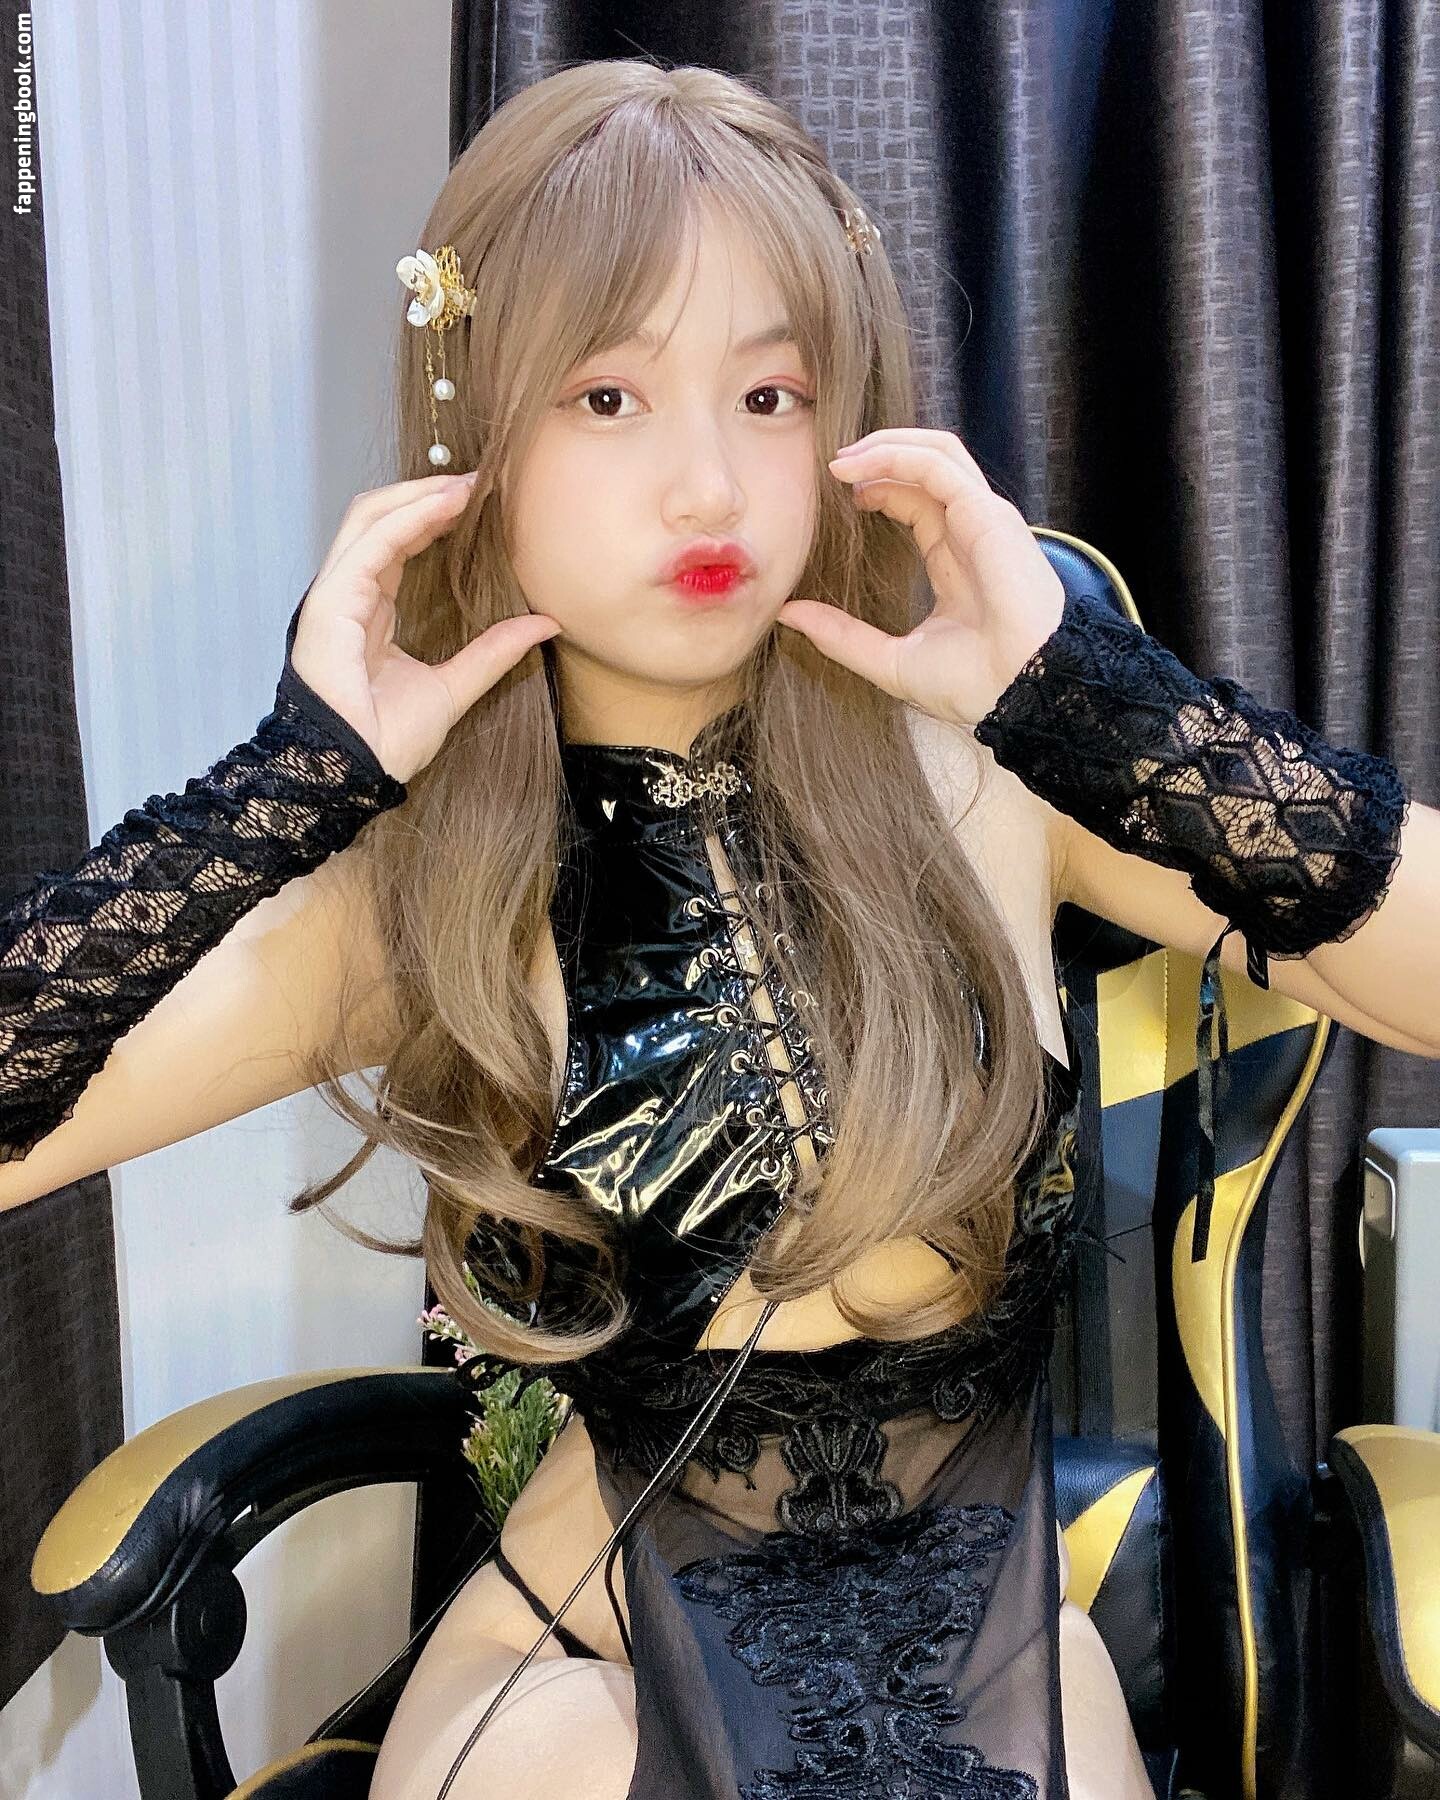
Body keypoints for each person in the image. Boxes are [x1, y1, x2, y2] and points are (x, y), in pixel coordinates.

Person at [1, 57, 1430, 1800]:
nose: (707, 488)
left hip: (988, 1651)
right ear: (474, 430)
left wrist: (1100, 708)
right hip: (579, 1668)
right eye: (608, 396)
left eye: (769, 395)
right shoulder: (419, 882)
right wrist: (283, 795)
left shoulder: (1001, 773)